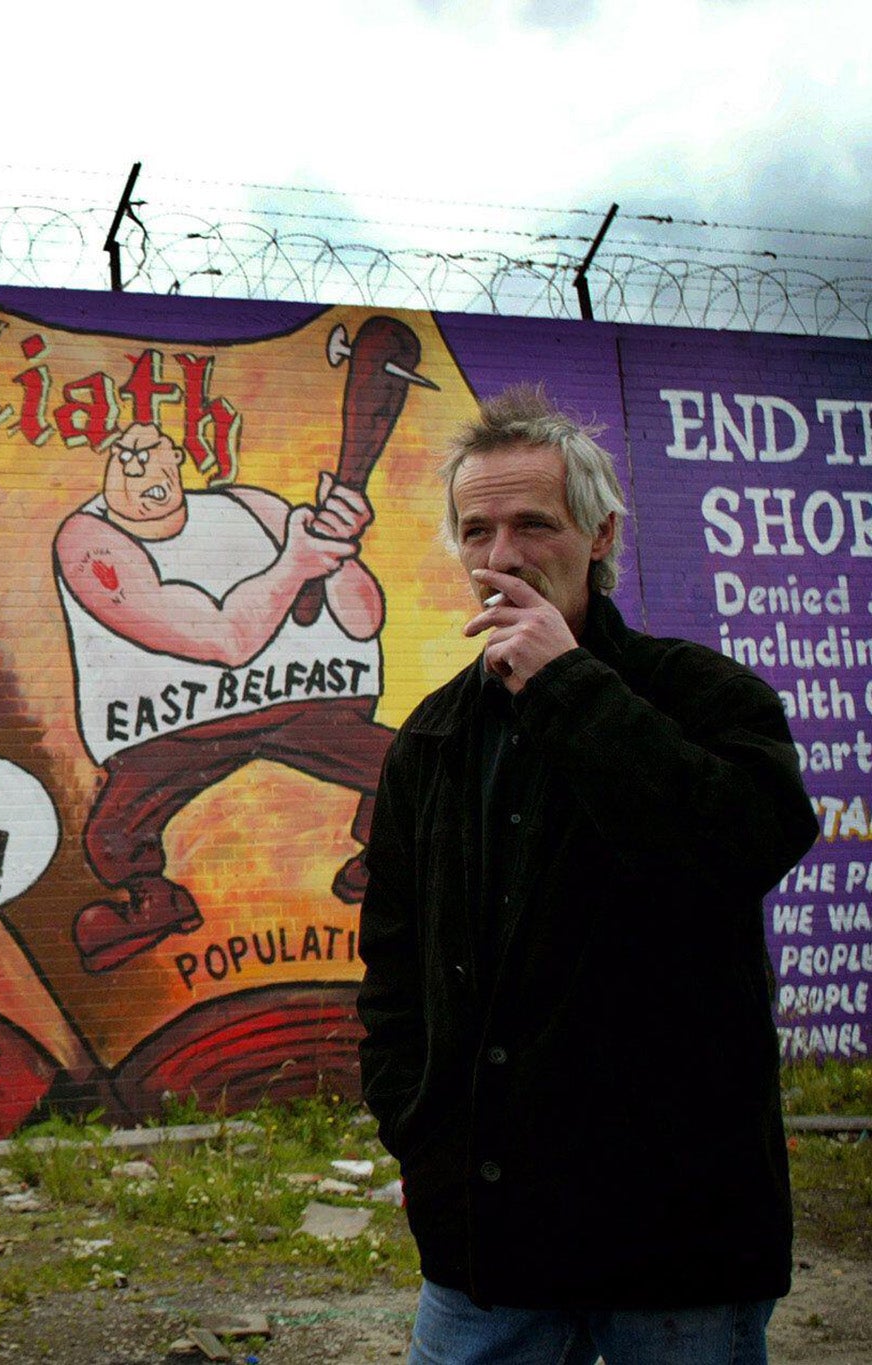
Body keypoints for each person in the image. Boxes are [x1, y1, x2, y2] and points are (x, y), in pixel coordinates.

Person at [357, 386, 817, 1363]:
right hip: (488, 1245)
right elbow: (391, 971)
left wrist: (566, 685)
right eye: (475, 530)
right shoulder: (430, 741)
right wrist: (418, 1133)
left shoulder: (703, 696)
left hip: (675, 1240)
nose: (502, 556)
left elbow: (741, 844)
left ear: (599, 534)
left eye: (533, 524)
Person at [54, 421, 396, 973]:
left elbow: (362, 621)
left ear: (178, 461)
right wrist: (296, 563)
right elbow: (223, 640)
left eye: (153, 456)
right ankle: (152, 902)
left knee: (405, 768)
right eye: (127, 458)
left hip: (296, 703)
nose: (141, 470)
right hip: (178, 724)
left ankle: (389, 856)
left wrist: (339, 555)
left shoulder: (251, 506)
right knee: (112, 835)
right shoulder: (89, 542)